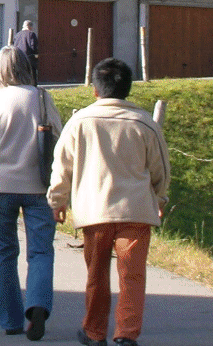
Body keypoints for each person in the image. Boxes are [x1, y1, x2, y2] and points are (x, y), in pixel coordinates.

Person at [47, 58, 170, 346]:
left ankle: (94, 332)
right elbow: (160, 169)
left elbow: (62, 165)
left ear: (95, 89)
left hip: (95, 211)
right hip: (135, 210)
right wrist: (160, 196)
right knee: (132, 275)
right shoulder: (144, 123)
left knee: (96, 274)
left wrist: (57, 200)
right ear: (128, 88)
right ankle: (126, 334)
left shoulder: (80, 122)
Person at [0, 45, 62, 340]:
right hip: (38, 185)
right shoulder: (41, 97)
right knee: (40, 251)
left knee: (4, 252)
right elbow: (57, 134)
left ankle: (10, 321)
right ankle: (37, 306)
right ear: (26, 68)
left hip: (0, 185)